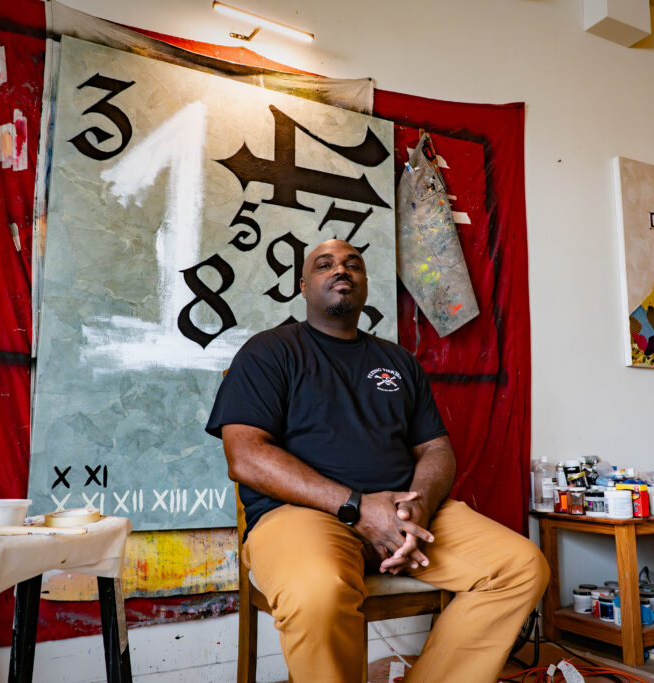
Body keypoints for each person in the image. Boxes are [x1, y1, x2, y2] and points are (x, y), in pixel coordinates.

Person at [206, 238, 549, 682]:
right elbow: (246, 456)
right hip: (303, 516)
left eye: (353, 264)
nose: (340, 270)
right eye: (325, 264)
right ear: (303, 285)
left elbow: (436, 449)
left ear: (366, 285)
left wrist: (418, 508)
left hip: (407, 515)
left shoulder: (397, 361)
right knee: (316, 594)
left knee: (521, 567)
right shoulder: (269, 351)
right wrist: (356, 506)